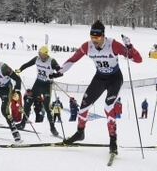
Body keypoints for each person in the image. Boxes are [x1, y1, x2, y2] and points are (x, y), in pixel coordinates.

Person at [53, 20, 143, 155]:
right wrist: (60, 72)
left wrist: (129, 47)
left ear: (103, 35)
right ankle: (80, 133)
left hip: (114, 78)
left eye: (97, 37)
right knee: (83, 106)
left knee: (108, 107)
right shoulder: (87, 46)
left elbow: (138, 59)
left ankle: (113, 140)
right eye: (92, 37)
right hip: (99, 78)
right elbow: (73, 59)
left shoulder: (113, 45)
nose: (94, 40)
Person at [15, 45, 61, 136]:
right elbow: (27, 64)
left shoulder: (51, 61)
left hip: (47, 85)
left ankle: (52, 128)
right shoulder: (37, 59)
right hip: (38, 84)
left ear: (46, 54)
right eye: (39, 53)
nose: (39, 55)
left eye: (41, 54)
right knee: (28, 103)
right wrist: (20, 69)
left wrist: (53, 76)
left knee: (47, 107)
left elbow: (60, 72)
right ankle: (23, 123)